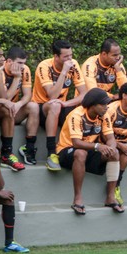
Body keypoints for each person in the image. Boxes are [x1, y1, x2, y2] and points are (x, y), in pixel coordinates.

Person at [56, 88, 122, 215]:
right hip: (67, 150)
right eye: (103, 105)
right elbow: (76, 143)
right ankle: (78, 198)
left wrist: (111, 149)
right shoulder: (77, 115)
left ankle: (110, 197)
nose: (106, 108)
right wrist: (98, 146)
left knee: (115, 154)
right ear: (93, 105)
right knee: (81, 152)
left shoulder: (104, 115)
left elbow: (110, 138)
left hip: (89, 150)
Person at [0, 46, 39, 170]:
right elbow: (3, 98)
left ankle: (29, 148)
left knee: (33, 106)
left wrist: (19, 104)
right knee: (5, 106)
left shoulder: (25, 70)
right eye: (19, 63)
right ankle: (6, 154)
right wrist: (17, 78)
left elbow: (28, 95)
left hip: (11, 110)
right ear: (10, 62)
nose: (22, 66)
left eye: (24, 63)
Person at [32, 40, 88, 171]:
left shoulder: (73, 64)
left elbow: (84, 94)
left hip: (60, 105)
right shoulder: (44, 66)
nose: (70, 59)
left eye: (71, 55)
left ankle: (80, 148)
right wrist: (63, 72)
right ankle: (51, 152)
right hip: (42, 107)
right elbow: (52, 95)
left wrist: (66, 103)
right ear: (56, 56)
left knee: (82, 109)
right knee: (55, 104)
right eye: (66, 57)